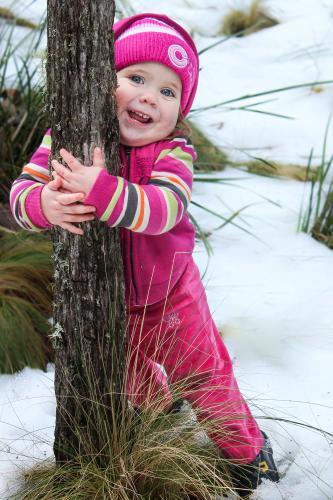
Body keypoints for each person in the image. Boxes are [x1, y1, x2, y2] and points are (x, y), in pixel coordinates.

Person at [10, 13, 279, 497]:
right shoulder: (69, 133)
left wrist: (104, 188)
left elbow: (163, 208)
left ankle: (248, 454)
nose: (150, 97)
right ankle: (158, 416)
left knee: (202, 375)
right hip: (108, 303)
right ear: (103, 78)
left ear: (181, 111)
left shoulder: (173, 153)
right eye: (135, 78)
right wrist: (44, 203)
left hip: (171, 296)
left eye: (168, 91)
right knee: (124, 372)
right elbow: (21, 194)